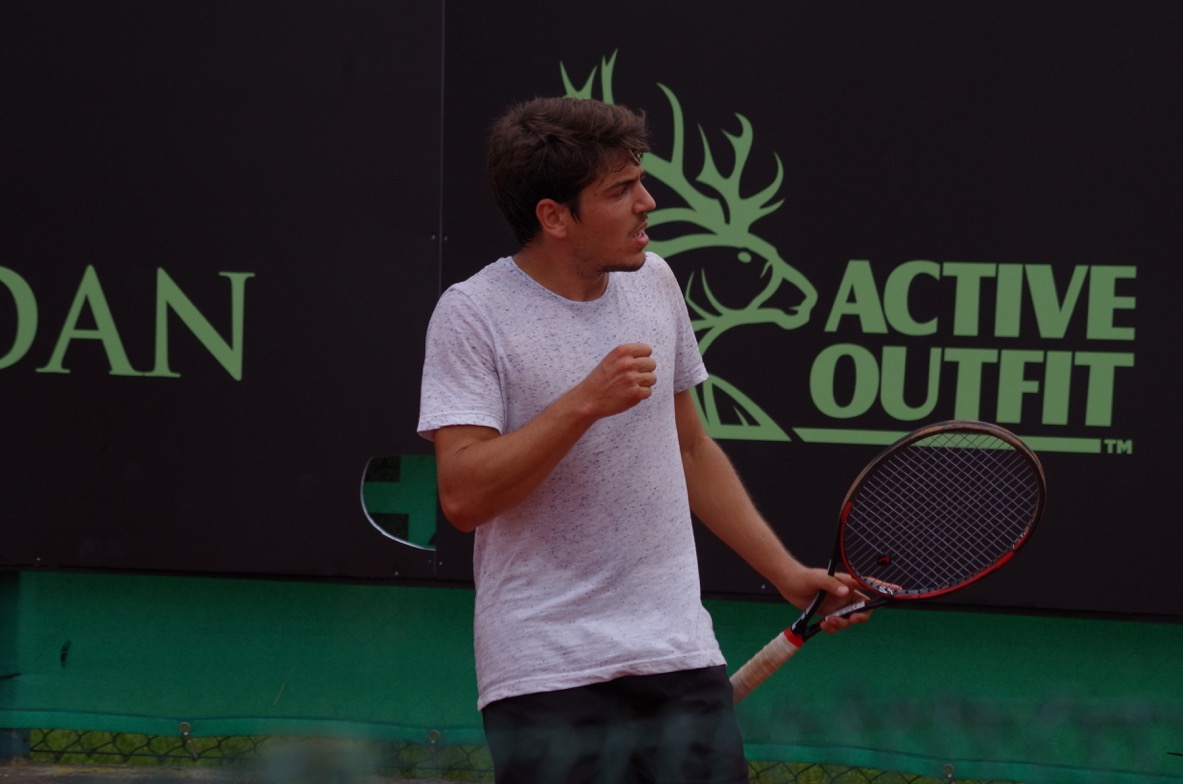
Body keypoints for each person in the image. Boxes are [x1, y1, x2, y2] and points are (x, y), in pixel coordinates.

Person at [417, 96, 868, 784]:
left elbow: (690, 448)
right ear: (554, 217)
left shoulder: (655, 281)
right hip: (545, 669)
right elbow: (463, 496)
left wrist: (785, 573)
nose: (646, 203)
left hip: (677, 652)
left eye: (641, 182)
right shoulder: (472, 314)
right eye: (620, 190)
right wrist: (582, 405)